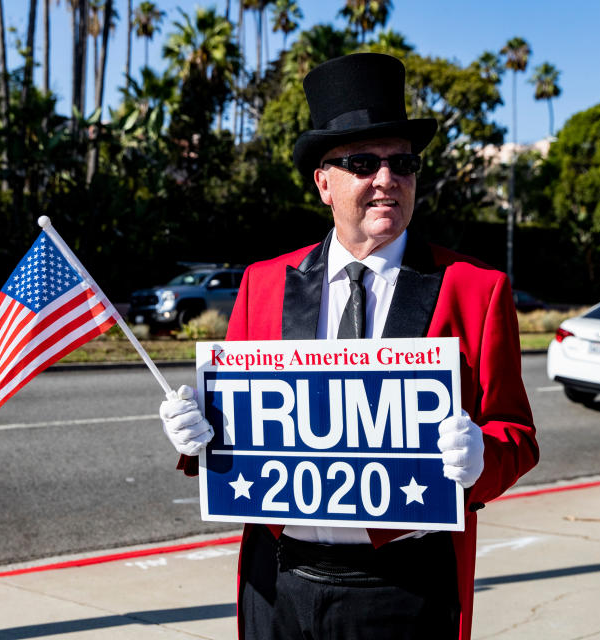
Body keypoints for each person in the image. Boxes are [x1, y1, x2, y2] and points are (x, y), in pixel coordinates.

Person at [159, 52, 539, 640]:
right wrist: (198, 437)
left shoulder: (476, 288)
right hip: (278, 578)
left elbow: (516, 435)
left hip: (404, 585)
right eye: (362, 163)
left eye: (403, 164)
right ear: (324, 183)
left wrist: (482, 459)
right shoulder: (265, 282)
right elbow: (234, 423)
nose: (386, 180)